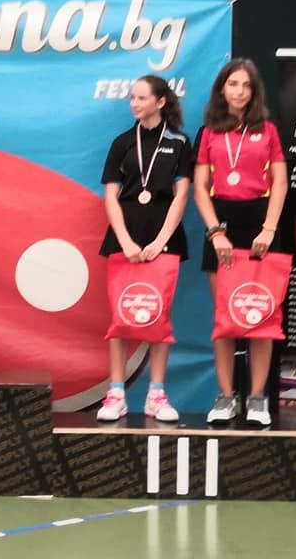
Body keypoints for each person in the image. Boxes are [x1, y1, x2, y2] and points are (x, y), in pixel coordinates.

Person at [194, 57, 287, 426]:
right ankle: (226, 397)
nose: (240, 91)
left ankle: (257, 398)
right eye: (233, 84)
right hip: (222, 224)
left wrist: (269, 228)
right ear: (222, 89)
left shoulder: (268, 131)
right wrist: (215, 232)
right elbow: (200, 188)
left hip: (261, 225)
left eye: (246, 85)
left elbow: (280, 183)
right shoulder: (208, 133)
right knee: (226, 316)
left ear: (254, 92)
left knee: (260, 313)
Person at [96, 75, 192, 422]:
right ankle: (116, 394)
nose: (134, 104)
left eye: (141, 98)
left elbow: (182, 195)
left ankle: (156, 394)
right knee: (121, 316)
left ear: (160, 101)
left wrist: (161, 240)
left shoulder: (179, 142)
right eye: (132, 98)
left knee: (158, 314)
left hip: (163, 239)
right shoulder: (122, 142)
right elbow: (110, 195)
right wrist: (125, 240)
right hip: (125, 237)